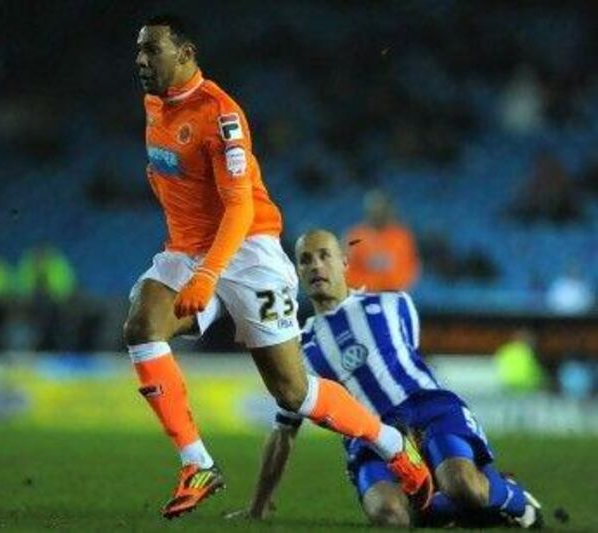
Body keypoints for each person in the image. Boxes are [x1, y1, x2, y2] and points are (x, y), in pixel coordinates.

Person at [125, 15, 431, 520]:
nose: (140, 60)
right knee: (142, 324)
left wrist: (208, 275)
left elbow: (240, 207)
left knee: (294, 391)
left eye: (151, 50)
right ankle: (197, 464)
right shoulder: (154, 104)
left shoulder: (221, 115)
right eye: (138, 50)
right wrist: (188, 254)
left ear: (186, 53)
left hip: (248, 251)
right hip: (188, 249)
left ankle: (394, 445)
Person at [228, 229, 543, 528]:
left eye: (324, 255)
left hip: (429, 411)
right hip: (369, 439)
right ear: (296, 271)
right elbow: (284, 432)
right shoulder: (298, 348)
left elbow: (412, 362)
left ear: (344, 262)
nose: (316, 266)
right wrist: (259, 506)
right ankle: (459, 506)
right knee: (391, 516)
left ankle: (517, 500)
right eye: (306, 259)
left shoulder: (393, 303)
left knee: (464, 486)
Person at [345, 189, 420, 292]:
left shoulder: (401, 236)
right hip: (364, 296)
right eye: (373, 209)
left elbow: (410, 268)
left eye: (380, 209)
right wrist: (368, 286)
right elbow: (347, 270)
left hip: (393, 295)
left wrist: (393, 286)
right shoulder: (355, 236)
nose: (377, 213)